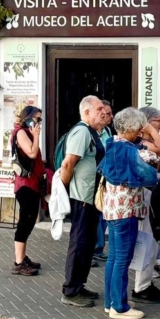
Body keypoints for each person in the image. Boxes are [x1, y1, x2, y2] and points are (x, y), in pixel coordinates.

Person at [99, 108, 160, 319]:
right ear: (131, 128)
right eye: (139, 127)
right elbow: (155, 164)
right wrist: (151, 131)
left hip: (112, 208)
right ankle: (120, 307)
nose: (141, 131)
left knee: (114, 257)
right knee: (123, 259)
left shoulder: (112, 144)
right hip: (126, 210)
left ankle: (111, 301)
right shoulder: (132, 151)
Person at [59, 95, 108, 307]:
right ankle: (70, 291)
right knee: (79, 243)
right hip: (82, 198)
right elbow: (68, 164)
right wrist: (65, 189)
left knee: (87, 244)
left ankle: (79, 285)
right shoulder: (82, 132)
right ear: (86, 112)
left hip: (89, 197)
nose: (103, 112)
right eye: (99, 109)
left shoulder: (92, 132)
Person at [131, 106, 160, 303]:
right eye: (157, 120)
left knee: (152, 240)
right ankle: (141, 286)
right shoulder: (142, 143)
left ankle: (145, 283)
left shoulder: (145, 142)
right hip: (146, 194)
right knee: (147, 238)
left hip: (149, 194)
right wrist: (150, 130)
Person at [10, 106, 45, 277]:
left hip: (32, 183)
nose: (39, 123)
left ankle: (23, 257)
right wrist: (36, 136)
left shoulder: (26, 132)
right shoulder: (21, 132)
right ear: (28, 118)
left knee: (29, 221)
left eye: (40, 120)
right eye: (37, 119)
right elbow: (31, 153)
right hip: (25, 185)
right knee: (25, 221)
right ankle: (19, 262)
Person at [93, 101, 114, 263]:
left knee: (103, 214)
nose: (110, 117)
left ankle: (98, 248)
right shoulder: (91, 132)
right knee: (95, 215)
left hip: (106, 178)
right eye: (107, 114)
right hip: (94, 179)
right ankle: (94, 248)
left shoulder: (107, 131)